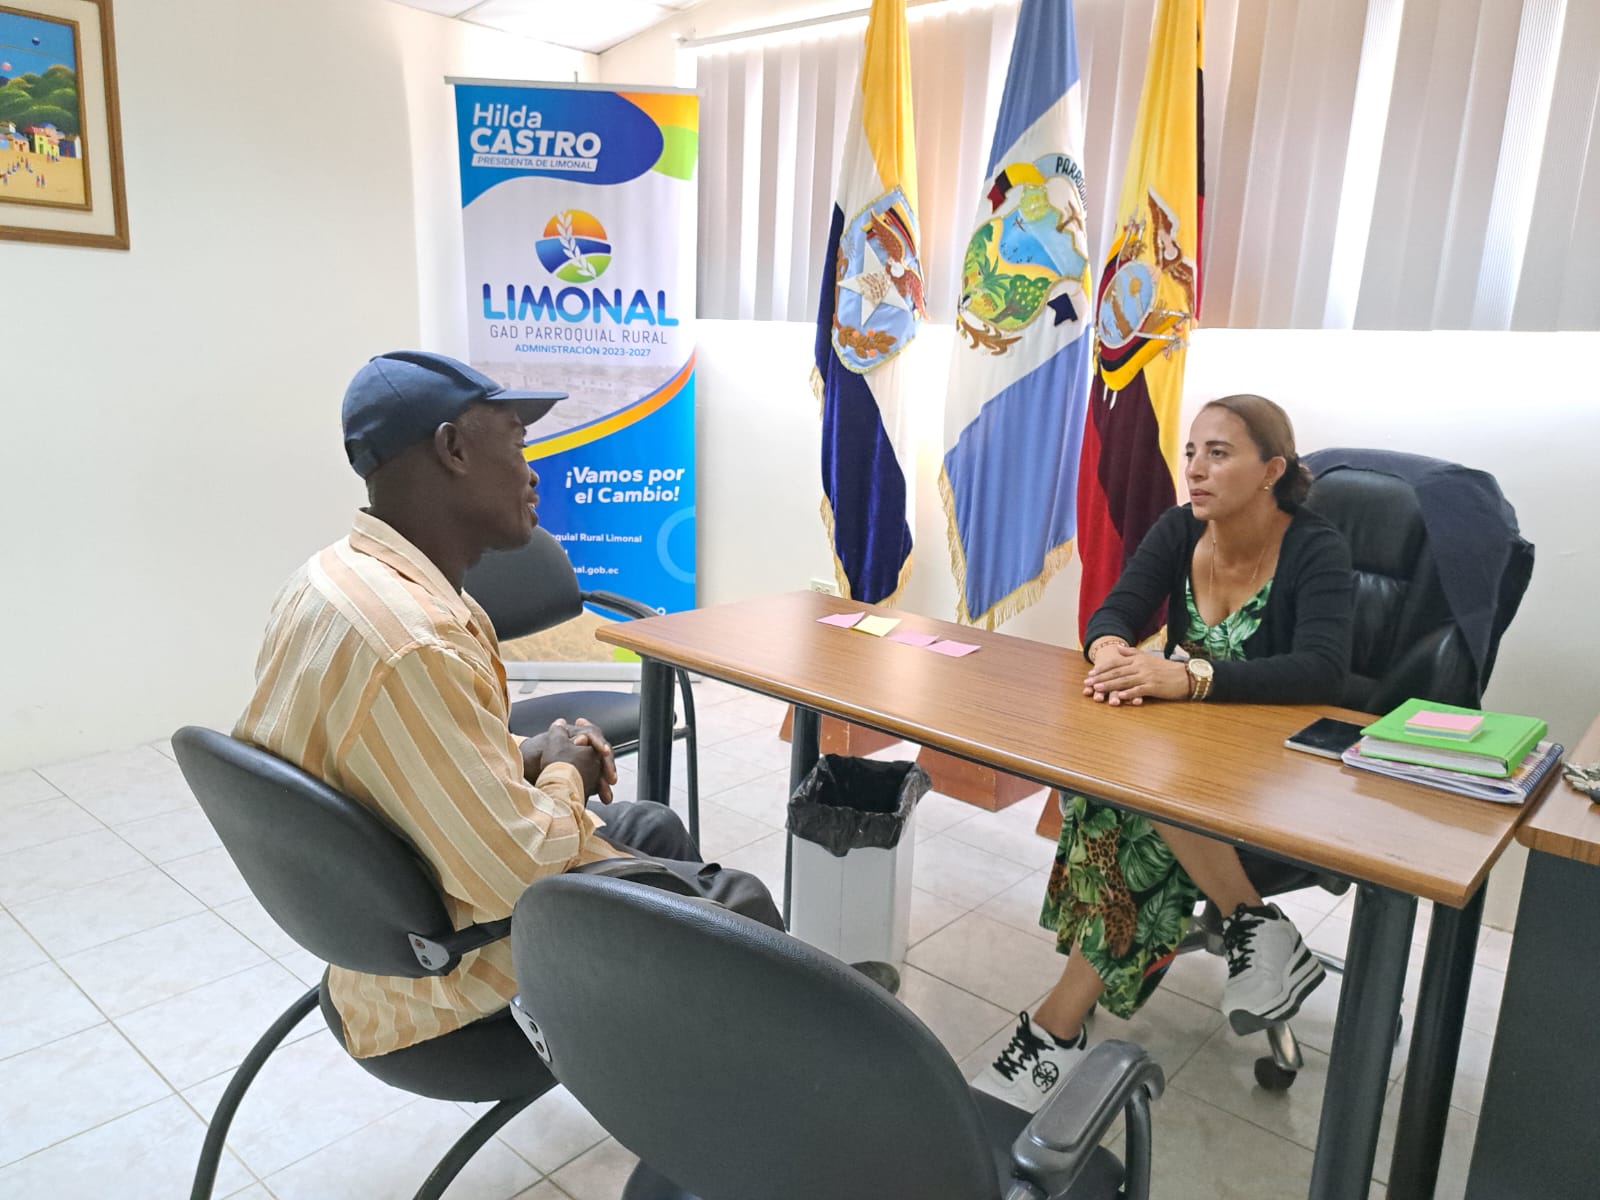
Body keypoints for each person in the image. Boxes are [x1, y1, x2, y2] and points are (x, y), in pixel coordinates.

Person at [236, 350, 782, 1060]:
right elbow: (518, 877)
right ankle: (802, 1070)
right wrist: (565, 772)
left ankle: (704, 1040)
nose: (532, 473)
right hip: (447, 974)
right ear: (453, 449)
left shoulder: (332, 576)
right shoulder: (416, 641)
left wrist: (525, 756)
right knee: (740, 907)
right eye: (518, 443)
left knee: (650, 825)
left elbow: (388, 772)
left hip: (395, 907)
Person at [977, 394, 1354, 1113]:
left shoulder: (1315, 547)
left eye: (1219, 453)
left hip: (1278, 767)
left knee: (1143, 808)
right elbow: (1116, 609)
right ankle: (1254, 923)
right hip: (1188, 756)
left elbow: (1323, 670)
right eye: (1191, 452)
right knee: (1113, 791)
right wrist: (1109, 648)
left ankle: (1054, 1033)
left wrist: (1191, 678)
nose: (1195, 469)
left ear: (1271, 470)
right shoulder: (1180, 528)